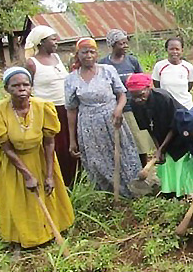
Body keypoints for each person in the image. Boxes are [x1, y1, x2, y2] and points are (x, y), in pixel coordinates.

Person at [0, 67, 74, 249]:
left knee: (48, 191)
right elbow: (6, 147)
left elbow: (49, 142)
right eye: (15, 85)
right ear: (6, 89)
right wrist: (27, 175)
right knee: (18, 198)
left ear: (31, 87)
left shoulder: (43, 107)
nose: (21, 89)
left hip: (40, 158)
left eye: (25, 84)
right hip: (14, 163)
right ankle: (21, 239)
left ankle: (50, 232)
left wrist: (49, 174)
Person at [65, 38, 142, 198]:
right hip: (88, 126)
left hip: (112, 120)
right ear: (77, 55)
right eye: (84, 52)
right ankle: (107, 196)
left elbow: (122, 95)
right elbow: (71, 110)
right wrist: (72, 139)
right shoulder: (71, 79)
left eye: (92, 51)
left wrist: (119, 109)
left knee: (122, 156)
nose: (88, 55)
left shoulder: (108, 70)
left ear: (96, 53)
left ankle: (131, 193)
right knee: (97, 162)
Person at [127, 73, 193, 198]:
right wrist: (158, 148)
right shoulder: (134, 104)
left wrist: (162, 148)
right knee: (167, 163)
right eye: (135, 97)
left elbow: (174, 125)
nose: (139, 99)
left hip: (180, 132)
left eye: (141, 95)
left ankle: (189, 193)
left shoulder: (163, 98)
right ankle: (171, 192)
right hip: (161, 134)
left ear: (148, 88)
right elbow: (148, 128)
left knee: (181, 162)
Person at [25, 25, 77, 186]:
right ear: (41, 42)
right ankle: (56, 180)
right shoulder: (32, 63)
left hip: (66, 109)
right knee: (56, 147)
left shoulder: (57, 59)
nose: (56, 42)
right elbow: (27, 88)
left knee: (71, 145)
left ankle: (74, 180)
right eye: (53, 39)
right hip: (48, 110)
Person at [99, 29, 153, 167]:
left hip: (134, 107)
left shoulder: (132, 61)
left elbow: (142, 81)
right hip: (114, 109)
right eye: (121, 43)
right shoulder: (104, 64)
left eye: (125, 43)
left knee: (140, 143)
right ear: (112, 45)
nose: (125, 46)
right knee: (120, 143)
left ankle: (143, 170)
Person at [152, 37, 193, 109]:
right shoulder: (159, 66)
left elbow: (190, 84)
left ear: (182, 50)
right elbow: (157, 86)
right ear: (166, 50)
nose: (174, 52)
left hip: (186, 106)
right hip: (167, 106)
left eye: (177, 49)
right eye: (171, 49)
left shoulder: (188, 67)